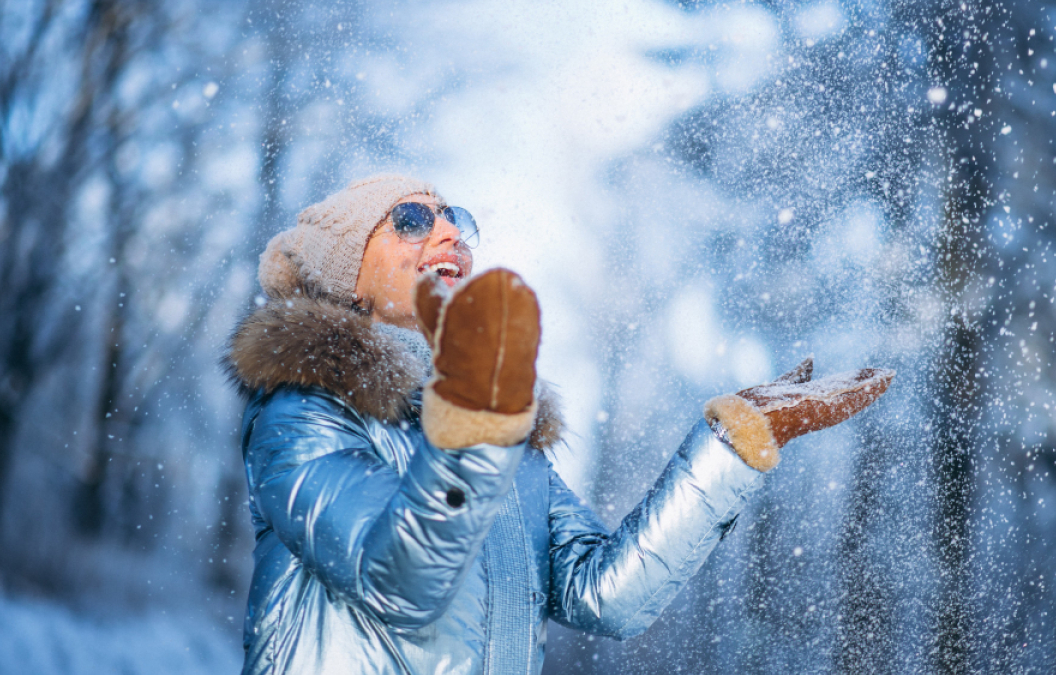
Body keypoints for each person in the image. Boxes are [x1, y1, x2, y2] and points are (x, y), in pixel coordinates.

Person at [224, 174, 894, 675]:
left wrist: (736, 444)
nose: (450, 232)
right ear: (349, 279)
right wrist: (479, 421)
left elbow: (606, 596)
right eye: (410, 218)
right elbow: (399, 582)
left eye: (456, 218)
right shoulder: (301, 410)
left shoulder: (504, 433)